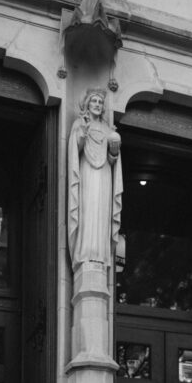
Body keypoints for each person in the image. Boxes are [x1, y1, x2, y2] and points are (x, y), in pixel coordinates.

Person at [67, 87, 123, 268]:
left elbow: (112, 159)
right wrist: (83, 131)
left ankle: (101, 254)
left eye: (100, 102)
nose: (97, 105)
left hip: (105, 174)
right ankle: (84, 253)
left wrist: (114, 152)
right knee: (88, 208)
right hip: (87, 172)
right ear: (87, 104)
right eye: (94, 101)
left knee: (102, 210)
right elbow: (76, 149)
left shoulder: (108, 129)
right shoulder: (79, 123)